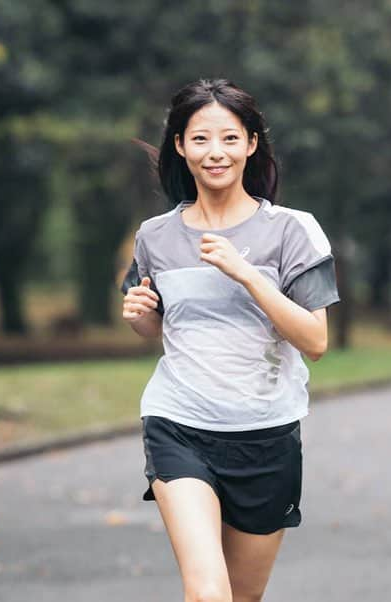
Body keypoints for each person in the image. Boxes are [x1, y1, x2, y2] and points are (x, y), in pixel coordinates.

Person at [120, 78, 340, 602]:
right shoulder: (155, 235)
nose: (214, 152)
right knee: (208, 594)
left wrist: (246, 274)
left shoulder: (292, 231)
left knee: (242, 597)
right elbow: (158, 327)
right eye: (199, 139)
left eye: (228, 138)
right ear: (179, 145)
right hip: (180, 425)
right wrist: (139, 316)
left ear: (251, 143)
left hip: (266, 434)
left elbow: (314, 340)